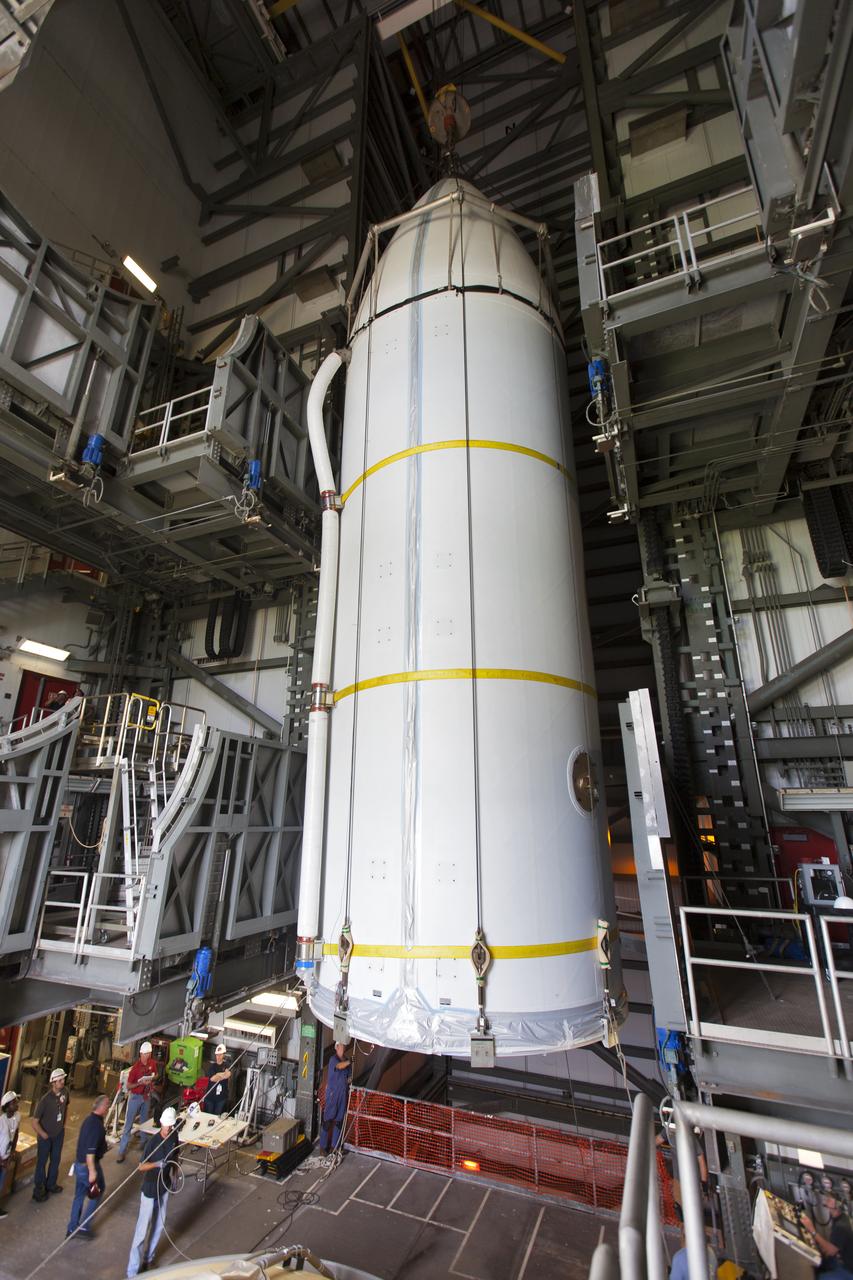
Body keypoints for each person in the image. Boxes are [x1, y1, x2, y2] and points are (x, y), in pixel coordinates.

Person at [126, 1106, 180, 1278]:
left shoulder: (174, 1136)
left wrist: (174, 1174)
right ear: (162, 1123)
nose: (168, 1128)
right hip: (150, 1189)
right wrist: (156, 1164)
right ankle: (132, 1272)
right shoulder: (153, 1142)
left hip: (164, 1186)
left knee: (158, 1225)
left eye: (170, 1125)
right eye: (166, 1125)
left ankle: (148, 1259)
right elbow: (141, 1166)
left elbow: (175, 1155)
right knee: (142, 1231)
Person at [67, 1094, 109, 1239]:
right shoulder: (96, 1126)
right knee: (98, 1191)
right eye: (107, 1105)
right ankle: (84, 1227)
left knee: (79, 1195)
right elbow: (90, 1153)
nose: (108, 1107)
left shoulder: (89, 1120)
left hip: (79, 1165)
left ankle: (72, 1227)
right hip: (88, 1166)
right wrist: (92, 1172)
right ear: (101, 1107)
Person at [31, 1067, 69, 1202]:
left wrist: (63, 1125)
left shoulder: (65, 1092)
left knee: (55, 1160)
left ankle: (51, 1184)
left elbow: (66, 1107)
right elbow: (34, 1122)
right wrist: (43, 1134)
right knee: (42, 1162)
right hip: (45, 1137)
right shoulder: (45, 1100)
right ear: (53, 1082)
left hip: (58, 1134)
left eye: (63, 1079)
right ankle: (39, 1190)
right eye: (60, 1080)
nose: (62, 1082)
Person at [117, 1042, 158, 1163]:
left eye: (148, 1054)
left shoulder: (152, 1063)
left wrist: (151, 1078)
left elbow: (156, 1075)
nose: (146, 1056)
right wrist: (140, 1083)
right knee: (128, 1124)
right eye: (145, 1054)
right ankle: (121, 1151)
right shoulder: (135, 1069)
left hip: (146, 1096)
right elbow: (129, 1085)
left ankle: (143, 1142)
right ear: (141, 1054)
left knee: (144, 1121)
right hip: (135, 1097)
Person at [802, 1195, 853, 1278]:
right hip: (841, 1259)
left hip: (848, 1269)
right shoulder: (840, 1217)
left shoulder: (841, 1226)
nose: (826, 1198)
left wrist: (812, 1231)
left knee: (820, 1277)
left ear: (838, 1204)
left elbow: (831, 1251)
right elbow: (834, 1245)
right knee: (820, 1265)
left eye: (830, 1199)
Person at [318, 1043, 351, 1154]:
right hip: (333, 1094)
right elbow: (339, 1066)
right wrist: (349, 1062)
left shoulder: (346, 1060)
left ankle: (334, 1147)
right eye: (341, 1046)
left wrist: (349, 1080)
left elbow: (348, 1076)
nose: (343, 1048)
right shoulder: (333, 1060)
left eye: (344, 1046)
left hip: (342, 1094)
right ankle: (323, 1147)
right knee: (328, 1121)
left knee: (338, 1122)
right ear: (336, 1047)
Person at [0, 1091, 21, 1221]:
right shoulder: (1, 1122)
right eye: (14, 1103)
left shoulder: (17, 1116)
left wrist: (12, 1151)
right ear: (7, 1107)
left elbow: (16, 1133)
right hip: (0, 1158)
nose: (17, 1104)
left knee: (1, 1184)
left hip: (6, 1157)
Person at [205, 1044, 232, 1116]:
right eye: (217, 1055)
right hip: (210, 1097)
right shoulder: (212, 1067)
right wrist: (222, 1075)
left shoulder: (227, 1065)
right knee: (208, 1116)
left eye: (220, 1055)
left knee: (217, 1117)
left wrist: (218, 1075)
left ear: (223, 1055)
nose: (218, 1057)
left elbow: (228, 1074)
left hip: (221, 1098)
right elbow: (213, 1079)